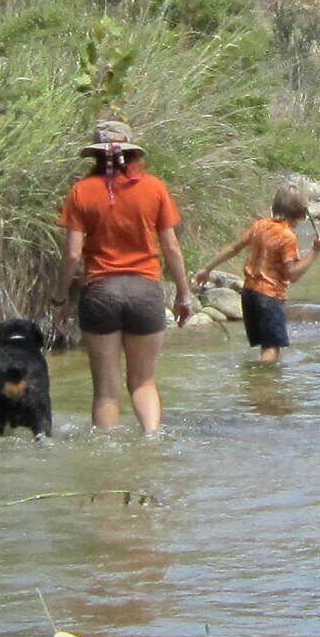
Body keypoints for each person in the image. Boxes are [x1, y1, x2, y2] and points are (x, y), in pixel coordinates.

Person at [60, 117, 191, 432]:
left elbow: (73, 254)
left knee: (106, 389)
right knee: (144, 382)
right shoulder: (155, 188)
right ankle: (150, 441)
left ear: (95, 156)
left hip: (100, 292)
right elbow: (171, 248)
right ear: (133, 154)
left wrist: (59, 296)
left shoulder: (81, 192)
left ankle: (108, 458)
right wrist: (185, 293)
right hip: (145, 291)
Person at [230, 183, 320, 353]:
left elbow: (234, 248)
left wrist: (207, 269)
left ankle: (258, 379)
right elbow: (293, 274)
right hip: (270, 296)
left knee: (265, 347)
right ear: (302, 214)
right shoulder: (287, 237)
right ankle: (265, 379)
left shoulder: (260, 225)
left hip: (249, 293)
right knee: (271, 350)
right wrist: (315, 251)